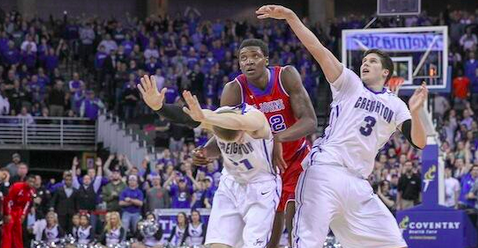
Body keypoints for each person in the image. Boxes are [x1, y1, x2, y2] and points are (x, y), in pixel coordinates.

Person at [256, 5, 427, 247]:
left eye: (372, 61)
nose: (365, 64)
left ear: (386, 71)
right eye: (364, 60)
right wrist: (292, 18)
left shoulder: (397, 105)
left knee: (394, 242)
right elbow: (318, 50)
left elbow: (419, 142)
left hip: (358, 184)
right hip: (325, 171)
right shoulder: (349, 83)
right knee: (307, 242)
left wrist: (416, 113)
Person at [139, 76, 281, 248]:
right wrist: (159, 107)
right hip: (231, 183)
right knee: (216, 245)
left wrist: (207, 119)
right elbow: (186, 117)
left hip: (261, 187)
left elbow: (239, 122)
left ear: (243, 132)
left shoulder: (255, 118)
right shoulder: (218, 117)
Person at [1, 174, 36, 248]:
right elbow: (8, 199)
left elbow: (27, 204)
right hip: (10, 209)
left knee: (18, 232)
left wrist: (23, 214)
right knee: (8, 230)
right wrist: (7, 213)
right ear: (25, 181)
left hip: (18, 212)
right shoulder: (17, 186)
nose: (31, 184)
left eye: (33, 182)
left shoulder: (32, 191)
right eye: (30, 181)